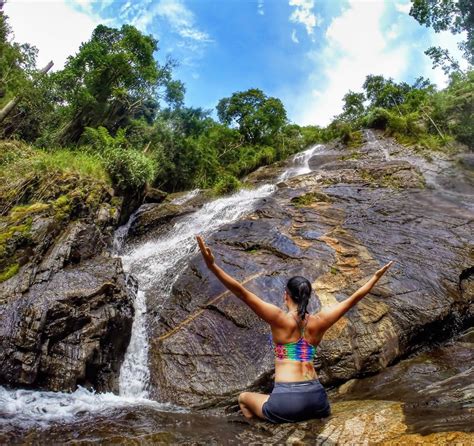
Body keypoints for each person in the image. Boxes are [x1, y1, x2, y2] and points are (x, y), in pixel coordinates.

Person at [196, 235, 393, 424]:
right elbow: (353, 300)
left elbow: (242, 292)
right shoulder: (319, 321)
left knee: (243, 398)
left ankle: (259, 435)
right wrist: (373, 279)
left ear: (286, 296)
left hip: (286, 404)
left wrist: (212, 265)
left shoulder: (280, 319)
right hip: (318, 402)